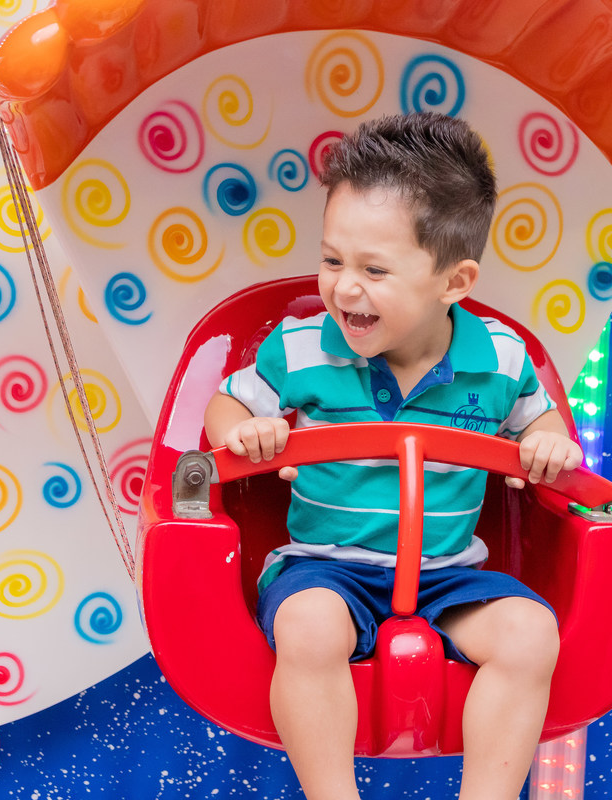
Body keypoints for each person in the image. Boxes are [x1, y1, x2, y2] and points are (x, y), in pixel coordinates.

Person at [203, 111, 584, 800]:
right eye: (331, 261)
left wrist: (547, 439)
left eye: (374, 270)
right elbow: (229, 405)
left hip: (446, 576)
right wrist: (241, 431)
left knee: (530, 634)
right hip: (327, 568)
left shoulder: (499, 360)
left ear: (454, 282)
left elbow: (544, 421)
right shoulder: (299, 347)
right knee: (310, 628)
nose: (345, 288)